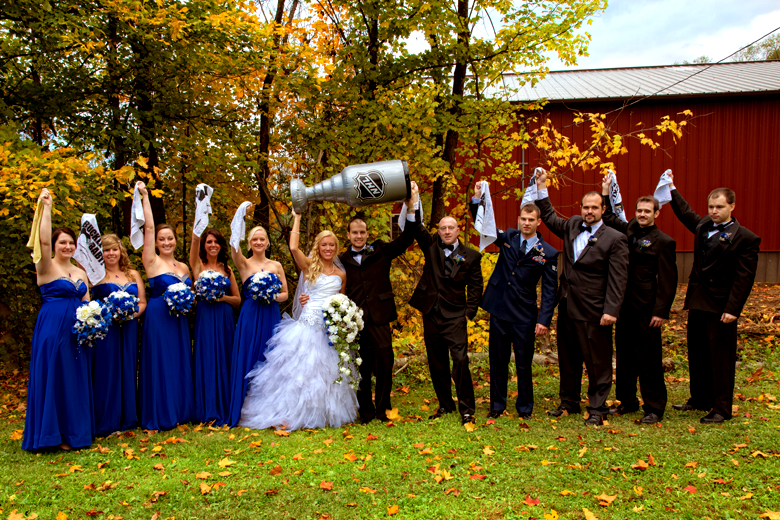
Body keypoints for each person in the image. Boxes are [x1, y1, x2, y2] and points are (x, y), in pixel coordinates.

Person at [239, 210, 357, 430]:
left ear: (336, 248)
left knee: (327, 373)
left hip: (328, 329)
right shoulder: (310, 265)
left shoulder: (342, 275)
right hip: (308, 326)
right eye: (324, 245)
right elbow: (293, 247)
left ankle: (323, 413)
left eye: (332, 245)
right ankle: (292, 412)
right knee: (301, 372)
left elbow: (341, 299)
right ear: (318, 247)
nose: (328, 249)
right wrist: (297, 216)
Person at [536, 170, 629, 426]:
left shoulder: (615, 238)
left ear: (603, 208)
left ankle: (597, 408)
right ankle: (569, 402)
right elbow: (550, 217)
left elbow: (618, 278)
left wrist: (611, 310)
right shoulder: (574, 225)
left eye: (594, 207)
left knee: (597, 361)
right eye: (586, 207)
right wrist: (542, 186)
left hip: (595, 310)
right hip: (567, 305)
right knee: (568, 358)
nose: (589, 211)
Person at [666, 174, 760, 423]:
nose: (714, 211)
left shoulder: (746, 238)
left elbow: (744, 278)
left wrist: (733, 308)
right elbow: (687, 214)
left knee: (721, 357)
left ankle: (721, 408)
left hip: (722, 305)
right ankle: (699, 399)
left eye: (719, 207)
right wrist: (672, 189)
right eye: (711, 207)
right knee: (698, 353)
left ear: (732, 206)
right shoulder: (703, 226)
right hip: (698, 300)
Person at [469, 182, 558, 420]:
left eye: (531, 219)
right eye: (523, 219)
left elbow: (550, 289)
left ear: (538, 222)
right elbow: (484, 227)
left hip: (524, 315)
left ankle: (525, 407)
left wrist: (544, 320)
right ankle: (497, 405)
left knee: (523, 363)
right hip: (499, 310)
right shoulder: (508, 237)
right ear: (518, 220)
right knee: (497, 361)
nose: (526, 223)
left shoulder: (547, 253)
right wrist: (477, 199)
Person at [335, 182, 419, 424]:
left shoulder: (380, 250)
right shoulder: (342, 260)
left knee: (384, 364)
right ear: (348, 235)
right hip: (356, 321)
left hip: (381, 317)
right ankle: (366, 411)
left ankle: (383, 409)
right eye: (354, 233)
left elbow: (407, 239)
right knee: (361, 368)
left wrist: (410, 206)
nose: (359, 236)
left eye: (362, 232)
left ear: (367, 234)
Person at [600, 175, 677, 424]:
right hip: (624, 307)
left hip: (647, 309)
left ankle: (654, 407)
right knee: (625, 357)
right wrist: (605, 191)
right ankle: (627, 401)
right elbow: (609, 217)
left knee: (649, 359)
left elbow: (668, 280)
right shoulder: (630, 229)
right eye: (639, 210)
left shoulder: (664, 242)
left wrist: (660, 311)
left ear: (656, 213)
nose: (642, 214)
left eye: (647, 211)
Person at [23, 188, 94, 451]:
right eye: (62, 242)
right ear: (54, 245)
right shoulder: (46, 266)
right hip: (52, 329)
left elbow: (87, 302)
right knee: (54, 376)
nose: (67, 246)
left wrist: (92, 323)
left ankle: (74, 433)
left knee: (73, 377)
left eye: (71, 243)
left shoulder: (80, 271)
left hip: (77, 332)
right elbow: (41, 243)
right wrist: (47, 208)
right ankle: (52, 435)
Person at [409, 213, 483, 425]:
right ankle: (445, 404)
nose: (447, 232)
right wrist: (413, 202)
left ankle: (467, 409)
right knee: (437, 361)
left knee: (460, 360)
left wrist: (468, 313)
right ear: (438, 232)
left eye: (451, 228)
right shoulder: (431, 248)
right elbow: (417, 229)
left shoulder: (471, 256)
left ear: (458, 230)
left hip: (455, 315)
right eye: (443, 228)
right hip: (431, 313)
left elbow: (476, 287)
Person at [137, 182, 195, 431]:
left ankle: (180, 410)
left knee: (179, 360)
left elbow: (193, 292)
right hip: (159, 315)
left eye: (170, 238)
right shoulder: (151, 261)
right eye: (162, 239)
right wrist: (145, 198)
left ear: (175, 239)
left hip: (180, 318)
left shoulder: (183, 267)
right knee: (160, 361)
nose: (166, 242)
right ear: (157, 243)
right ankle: (161, 412)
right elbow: (148, 227)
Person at [227, 224, 288, 427]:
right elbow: (233, 250)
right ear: (249, 243)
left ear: (267, 242)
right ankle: (245, 410)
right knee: (249, 357)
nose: (259, 242)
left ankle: (270, 409)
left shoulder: (276, 265)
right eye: (255, 239)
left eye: (262, 239)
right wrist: (237, 224)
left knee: (270, 358)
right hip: (251, 315)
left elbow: (286, 294)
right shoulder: (244, 264)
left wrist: (271, 295)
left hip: (271, 313)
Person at [91, 234, 147, 436]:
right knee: (107, 369)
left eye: (114, 249)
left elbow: (142, 302)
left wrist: (131, 314)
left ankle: (128, 418)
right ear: (100, 253)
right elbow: (86, 301)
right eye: (106, 250)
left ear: (120, 251)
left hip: (129, 326)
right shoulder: (95, 275)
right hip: (107, 328)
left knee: (128, 368)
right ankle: (106, 420)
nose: (111, 253)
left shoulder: (132, 274)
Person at [189, 228, 241, 426]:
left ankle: (225, 406)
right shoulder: (198, 266)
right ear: (204, 245)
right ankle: (206, 408)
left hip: (224, 316)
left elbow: (237, 299)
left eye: (216, 242)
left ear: (221, 245)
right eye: (209, 242)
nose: (212, 245)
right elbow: (193, 248)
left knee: (224, 357)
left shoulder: (227, 269)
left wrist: (222, 297)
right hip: (205, 315)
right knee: (206, 357)